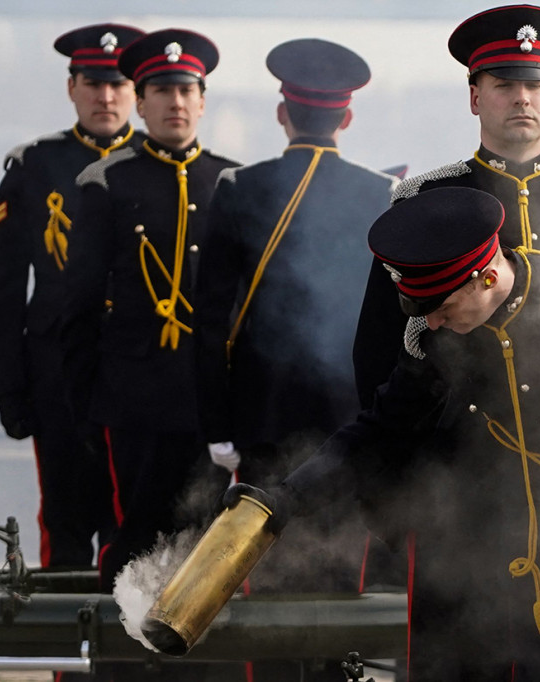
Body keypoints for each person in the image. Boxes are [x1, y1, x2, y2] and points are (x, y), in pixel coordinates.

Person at [254, 186, 540, 681]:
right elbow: (380, 428)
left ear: (488, 277)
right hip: (507, 540)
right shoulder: (428, 335)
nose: (431, 320)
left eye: (441, 306)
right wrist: (287, 496)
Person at [192, 37, 398, 682]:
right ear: (347, 116)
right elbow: (393, 330)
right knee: (341, 584)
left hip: (263, 419)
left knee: (267, 584)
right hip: (349, 424)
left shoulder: (239, 187)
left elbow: (211, 325)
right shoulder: (384, 194)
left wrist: (217, 426)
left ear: (284, 112)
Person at [352, 4, 540, 409]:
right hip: (454, 454)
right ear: (475, 97)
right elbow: (378, 349)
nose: (522, 98)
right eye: (504, 85)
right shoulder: (422, 198)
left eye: (537, 85)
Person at [60, 28, 239, 591]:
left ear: (203, 101)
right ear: (140, 103)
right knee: (131, 541)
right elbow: (79, 308)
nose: (176, 103)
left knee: (207, 543)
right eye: (161, 92)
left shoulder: (232, 182)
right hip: (132, 401)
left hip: (210, 406)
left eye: (187, 91)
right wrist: (88, 407)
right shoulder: (107, 182)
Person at [0, 23, 146, 569]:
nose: (106, 97)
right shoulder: (34, 168)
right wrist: (10, 390)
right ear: (71, 87)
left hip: (134, 375)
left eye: (118, 84)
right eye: (92, 83)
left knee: (136, 530)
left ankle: (122, 657)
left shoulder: (161, 167)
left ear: (136, 92)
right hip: (55, 380)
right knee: (67, 525)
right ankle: (67, 657)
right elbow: (2, 293)